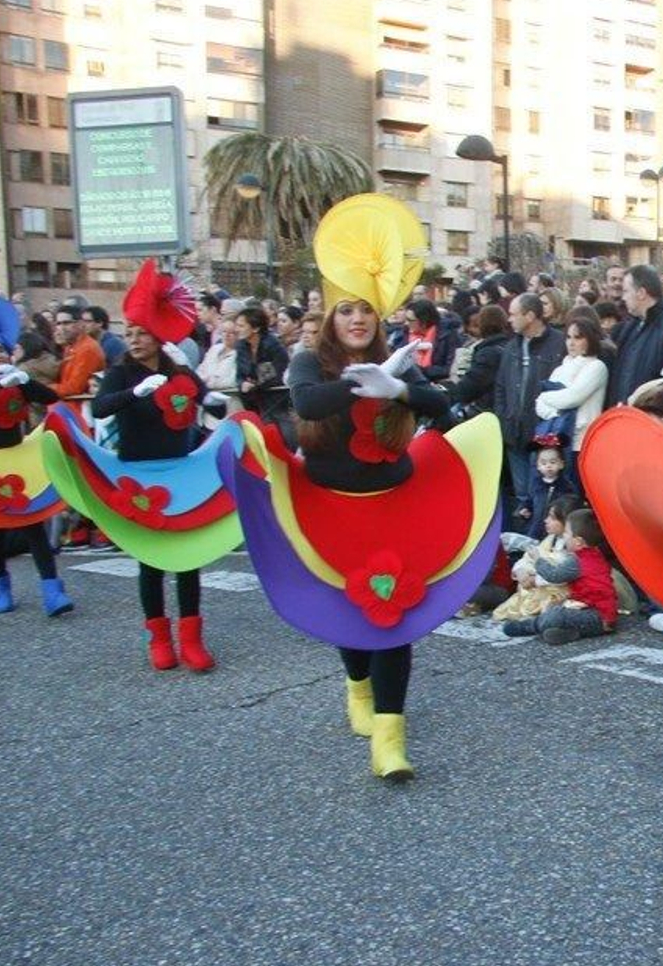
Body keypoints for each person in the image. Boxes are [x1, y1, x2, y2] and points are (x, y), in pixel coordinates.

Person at [272, 204, 461, 780]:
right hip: (331, 510)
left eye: (365, 311)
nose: (357, 319)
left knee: (392, 615)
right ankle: (357, 686)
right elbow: (305, 404)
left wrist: (399, 388)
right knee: (349, 614)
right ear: (331, 318)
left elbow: (441, 407)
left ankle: (390, 738)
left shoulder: (395, 361)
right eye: (346, 310)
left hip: (393, 509)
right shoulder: (310, 361)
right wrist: (357, 386)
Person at [77, 264, 232, 671]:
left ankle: (192, 640)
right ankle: (159, 639)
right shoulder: (120, 372)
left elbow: (206, 399)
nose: (134, 339)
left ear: (157, 336)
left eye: (142, 332)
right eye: (129, 334)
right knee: (150, 561)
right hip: (139, 476)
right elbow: (100, 407)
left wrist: (202, 391)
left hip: (180, 471)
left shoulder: (174, 368)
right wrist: (133, 392)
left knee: (186, 559)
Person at [0, 339, 73, 615]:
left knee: (33, 523)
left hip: (16, 461)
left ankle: (52, 589)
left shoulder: (16, 378)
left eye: (0, 349)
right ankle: (1, 585)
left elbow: (50, 399)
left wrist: (23, 381)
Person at [494, 294, 566, 522]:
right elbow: (501, 386)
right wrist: (503, 417)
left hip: (544, 433)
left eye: (514, 314)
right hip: (514, 432)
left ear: (531, 316)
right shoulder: (511, 347)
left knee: (545, 496)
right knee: (523, 497)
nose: (509, 320)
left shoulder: (558, 344)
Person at [500, 507, 619, 645]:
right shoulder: (596, 556)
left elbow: (554, 575)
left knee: (556, 614)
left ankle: (530, 626)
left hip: (595, 616)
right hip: (602, 616)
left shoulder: (577, 561)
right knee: (556, 610)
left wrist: (538, 560)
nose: (564, 536)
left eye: (567, 533)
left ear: (578, 541)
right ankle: (570, 634)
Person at [533, 315, 609, 477]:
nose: (571, 342)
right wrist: (556, 413)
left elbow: (573, 397)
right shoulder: (560, 369)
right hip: (555, 440)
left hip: (581, 443)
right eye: (568, 337)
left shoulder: (596, 367)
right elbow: (539, 404)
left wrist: (547, 397)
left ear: (590, 339)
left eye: (578, 337)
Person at [491, 495, 579, 625]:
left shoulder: (574, 547)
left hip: (559, 591)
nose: (546, 520)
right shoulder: (551, 539)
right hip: (539, 587)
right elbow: (529, 557)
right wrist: (521, 571)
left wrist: (535, 580)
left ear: (566, 522)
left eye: (552, 518)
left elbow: (564, 574)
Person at [606, 265, 663, 406]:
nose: (623, 297)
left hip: (649, 419)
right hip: (624, 414)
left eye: (626, 291)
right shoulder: (630, 326)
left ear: (641, 293)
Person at [233, 304, 291, 419]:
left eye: (241, 326)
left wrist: (254, 384)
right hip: (251, 402)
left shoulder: (272, 345)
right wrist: (242, 384)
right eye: (236, 325)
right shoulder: (241, 346)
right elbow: (240, 375)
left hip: (276, 402)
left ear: (256, 328)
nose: (236, 329)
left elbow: (278, 373)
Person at [48, 305, 105, 401]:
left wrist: (44, 388)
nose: (61, 328)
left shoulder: (87, 349)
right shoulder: (70, 346)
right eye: (58, 323)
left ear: (80, 324)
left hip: (79, 409)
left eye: (66, 323)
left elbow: (74, 388)